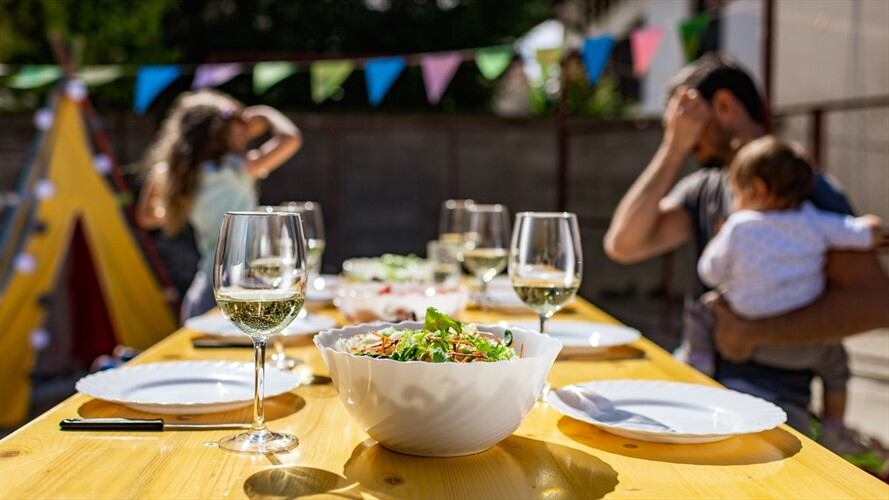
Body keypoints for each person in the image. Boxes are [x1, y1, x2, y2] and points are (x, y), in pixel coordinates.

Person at [604, 53, 889, 431]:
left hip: (772, 394)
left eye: (684, 118)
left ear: (723, 105)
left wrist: (752, 333)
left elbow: (874, 305)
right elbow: (623, 245)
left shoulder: (804, 191)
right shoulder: (706, 186)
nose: (681, 134)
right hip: (697, 374)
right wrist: (671, 150)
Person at [691, 136, 882, 446]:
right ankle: (835, 425)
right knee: (838, 367)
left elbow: (708, 272)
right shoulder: (815, 221)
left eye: (737, 192)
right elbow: (862, 233)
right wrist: (872, 227)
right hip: (805, 344)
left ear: (758, 190)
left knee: (702, 308)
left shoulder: (739, 226)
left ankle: (698, 361)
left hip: (740, 336)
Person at [136, 90, 302, 320]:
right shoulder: (234, 170)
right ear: (220, 132)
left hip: (207, 287)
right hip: (244, 287)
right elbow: (291, 138)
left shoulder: (178, 176)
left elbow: (146, 217)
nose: (245, 132)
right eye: (240, 125)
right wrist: (266, 114)